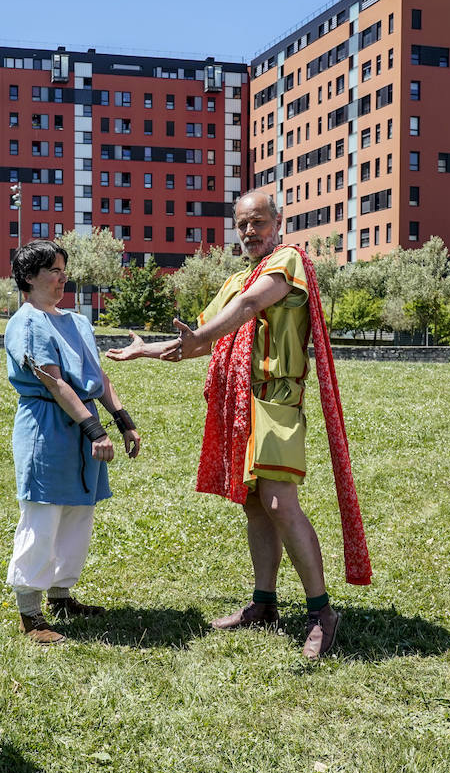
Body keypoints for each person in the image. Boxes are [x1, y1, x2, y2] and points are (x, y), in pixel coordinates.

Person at [107, 190, 370, 659]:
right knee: (254, 504)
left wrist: (203, 335)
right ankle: (264, 604)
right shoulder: (238, 277)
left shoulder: (287, 261)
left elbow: (246, 310)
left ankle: (322, 613)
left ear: (277, 221)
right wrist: (145, 349)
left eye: (258, 222)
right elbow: (203, 336)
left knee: (279, 501)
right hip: (242, 406)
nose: (250, 232)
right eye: (243, 225)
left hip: (277, 399)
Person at [4, 239, 141, 644]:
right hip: (48, 425)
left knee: (78, 513)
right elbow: (53, 381)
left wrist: (121, 419)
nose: (63, 277)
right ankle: (31, 613)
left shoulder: (77, 321)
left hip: (82, 423)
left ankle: (62, 595)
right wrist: (93, 429)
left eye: (64, 268)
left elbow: (97, 376)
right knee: (43, 515)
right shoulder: (26, 322)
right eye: (54, 270)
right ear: (30, 277)